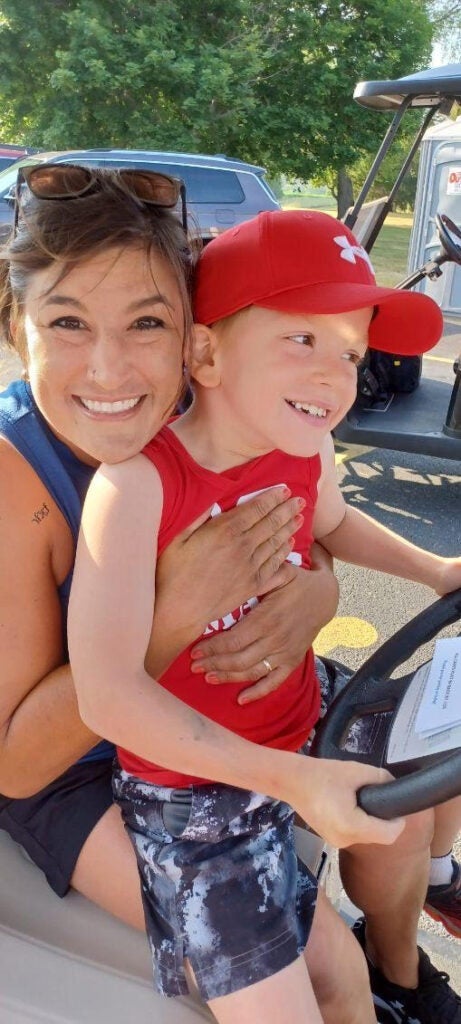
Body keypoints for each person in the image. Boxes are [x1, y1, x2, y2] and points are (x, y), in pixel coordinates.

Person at [68, 209, 461, 1024]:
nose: (334, 376)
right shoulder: (137, 488)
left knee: (426, 766)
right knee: (304, 1005)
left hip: (299, 707)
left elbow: (331, 523)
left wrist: (433, 570)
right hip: (198, 792)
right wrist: (294, 782)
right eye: (302, 340)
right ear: (207, 352)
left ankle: (410, 945)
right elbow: (105, 697)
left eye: (349, 352)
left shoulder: (301, 447)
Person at [0, 165, 340, 943]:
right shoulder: (15, 480)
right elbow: (17, 765)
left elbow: (308, 526)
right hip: (71, 767)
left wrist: (319, 590)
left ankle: (404, 967)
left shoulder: (209, 412)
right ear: (17, 330)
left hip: (199, 708)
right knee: (307, 959)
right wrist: (173, 611)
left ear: (194, 339)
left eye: (147, 325)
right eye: (67, 323)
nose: (110, 370)